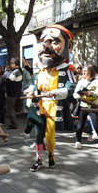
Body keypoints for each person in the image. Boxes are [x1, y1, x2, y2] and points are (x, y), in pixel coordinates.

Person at [29, 24, 76, 171]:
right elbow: (33, 84)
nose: (46, 46)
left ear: (68, 47)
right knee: (37, 136)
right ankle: (39, 159)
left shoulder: (66, 69)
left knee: (49, 136)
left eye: (54, 42)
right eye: (44, 42)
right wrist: (30, 91)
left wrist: (56, 92)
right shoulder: (40, 69)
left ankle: (51, 155)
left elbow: (71, 88)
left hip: (55, 108)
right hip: (39, 107)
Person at [73, 65, 98, 155]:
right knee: (80, 125)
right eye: (83, 71)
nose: (83, 72)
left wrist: (91, 94)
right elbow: (75, 93)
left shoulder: (96, 81)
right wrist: (80, 96)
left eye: (86, 71)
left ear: (91, 72)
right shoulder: (81, 81)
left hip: (93, 107)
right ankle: (78, 141)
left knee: (96, 126)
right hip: (83, 106)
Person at [6, 57, 23, 130]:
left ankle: (15, 124)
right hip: (14, 92)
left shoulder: (16, 72)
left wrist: (5, 78)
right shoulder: (17, 71)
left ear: (14, 64)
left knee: (10, 109)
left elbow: (9, 81)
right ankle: (13, 123)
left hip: (12, 93)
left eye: (11, 63)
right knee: (10, 109)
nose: (10, 65)